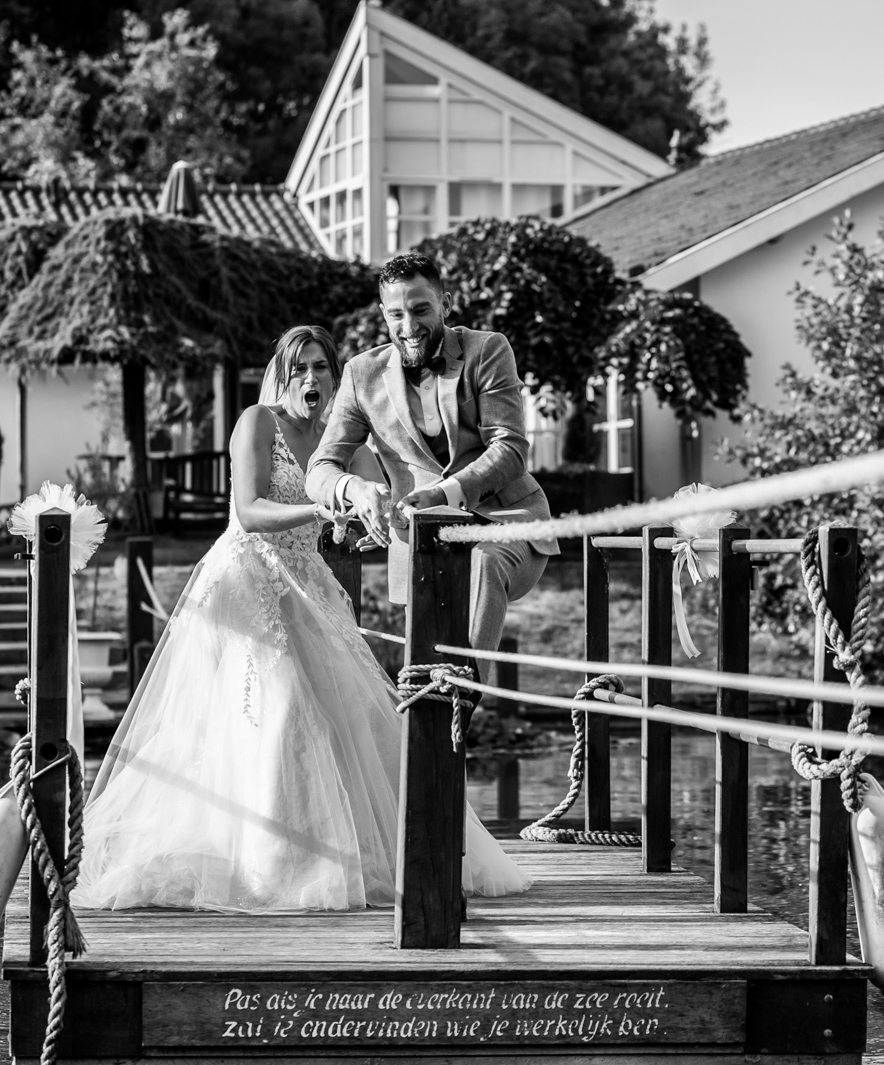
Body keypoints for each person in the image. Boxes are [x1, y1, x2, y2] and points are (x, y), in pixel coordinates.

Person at [68, 325, 526, 912]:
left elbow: (383, 491)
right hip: (247, 583)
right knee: (273, 714)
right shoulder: (257, 422)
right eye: (299, 368)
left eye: (322, 369)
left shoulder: (342, 441)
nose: (311, 379)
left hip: (309, 582)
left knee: (351, 718)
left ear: (337, 380)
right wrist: (325, 503)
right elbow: (251, 512)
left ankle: (382, 852)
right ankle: (267, 863)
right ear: (281, 376)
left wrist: (377, 516)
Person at [305, 252, 558, 664]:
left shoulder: (488, 350)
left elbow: (509, 449)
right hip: (418, 543)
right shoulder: (360, 374)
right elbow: (319, 469)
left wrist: (445, 493)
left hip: (506, 523)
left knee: (484, 562)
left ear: (446, 303)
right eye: (396, 315)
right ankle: (443, 710)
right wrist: (355, 488)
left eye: (420, 310)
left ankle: (464, 693)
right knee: (423, 668)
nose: (408, 328)